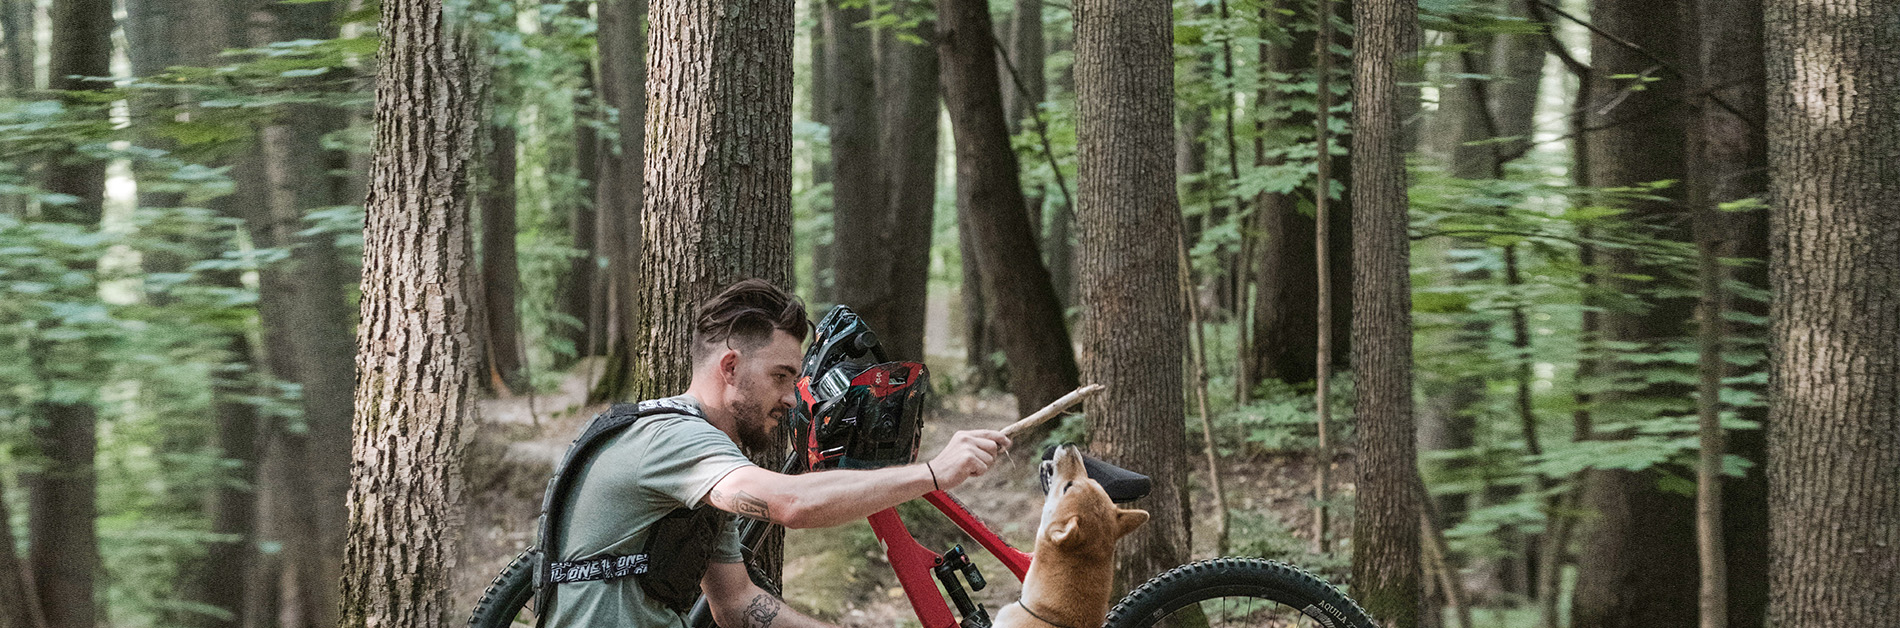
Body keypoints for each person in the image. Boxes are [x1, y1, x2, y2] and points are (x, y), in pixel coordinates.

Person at [546, 279, 1011, 628]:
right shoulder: (675, 440)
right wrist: (931, 473)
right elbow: (793, 503)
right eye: (781, 376)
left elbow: (736, 603)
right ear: (730, 367)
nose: (792, 398)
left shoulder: (707, 469)